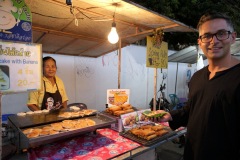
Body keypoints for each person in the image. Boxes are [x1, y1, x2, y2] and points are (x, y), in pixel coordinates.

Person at [155, 11, 240, 160]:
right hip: (192, 153)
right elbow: (192, 109)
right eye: (207, 36)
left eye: (221, 33)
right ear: (200, 42)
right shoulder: (197, 77)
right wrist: (170, 115)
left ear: (233, 37)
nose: (214, 41)